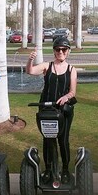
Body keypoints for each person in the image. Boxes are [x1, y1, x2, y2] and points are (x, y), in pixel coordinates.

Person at [25, 35, 78, 183]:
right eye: (57, 49)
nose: (60, 52)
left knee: (63, 140)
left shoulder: (71, 69)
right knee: (48, 139)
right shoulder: (46, 66)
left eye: (64, 49)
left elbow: (73, 91)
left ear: (68, 51)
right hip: (47, 109)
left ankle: (66, 170)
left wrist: (66, 97)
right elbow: (30, 71)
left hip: (63, 110)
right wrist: (30, 59)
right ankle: (48, 170)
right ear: (54, 51)